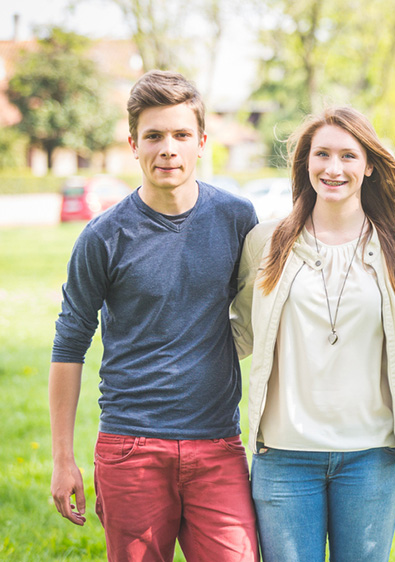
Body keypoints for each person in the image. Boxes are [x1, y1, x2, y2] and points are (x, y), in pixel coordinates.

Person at [48, 70, 259, 560]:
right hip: (130, 447)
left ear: (202, 141)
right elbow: (69, 343)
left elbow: (263, 311)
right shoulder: (103, 237)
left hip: (218, 446)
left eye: (182, 135)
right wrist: (62, 458)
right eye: (155, 136)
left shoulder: (237, 218)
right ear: (133, 144)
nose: (169, 148)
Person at [229, 107, 395, 561]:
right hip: (283, 456)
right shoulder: (266, 241)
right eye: (322, 155)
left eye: (348, 156)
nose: (333, 169)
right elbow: (239, 331)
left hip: (372, 457)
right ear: (306, 162)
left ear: (369, 165)